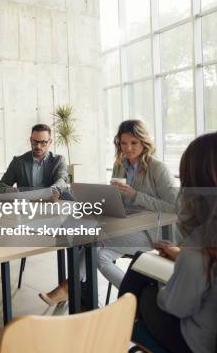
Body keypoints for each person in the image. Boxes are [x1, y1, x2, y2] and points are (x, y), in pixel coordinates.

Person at [39, 120, 178, 306]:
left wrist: (136, 195)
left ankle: (68, 288)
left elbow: (175, 207)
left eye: (134, 143)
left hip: (153, 232)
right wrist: (104, 201)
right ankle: (136, 299)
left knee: (95, 238)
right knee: (98, 255)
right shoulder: (119, 165)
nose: (128, 148)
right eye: (123, 143)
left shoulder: (157, 168)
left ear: (144, 142)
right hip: (125, 225)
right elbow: (117, 200)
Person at [118, 130, 217, 353]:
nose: (127, 147)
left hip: (197, 343)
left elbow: (176, 306)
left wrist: (164, 285)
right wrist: (179, 255)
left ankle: (115, 326)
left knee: (142, 275)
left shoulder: (201, 243)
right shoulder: (211, 242)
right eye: (123, 143)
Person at [0, 123, 68, 194]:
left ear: (50, 142)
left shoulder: (58, 160)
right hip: (27, 203)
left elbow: (62, 180)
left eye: (43, 142)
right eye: (35, 142)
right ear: (31, 140)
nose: (38, 146)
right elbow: (1, 185)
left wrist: (54, 190)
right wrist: (9, 190)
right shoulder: (18, 162)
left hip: (51, 202)